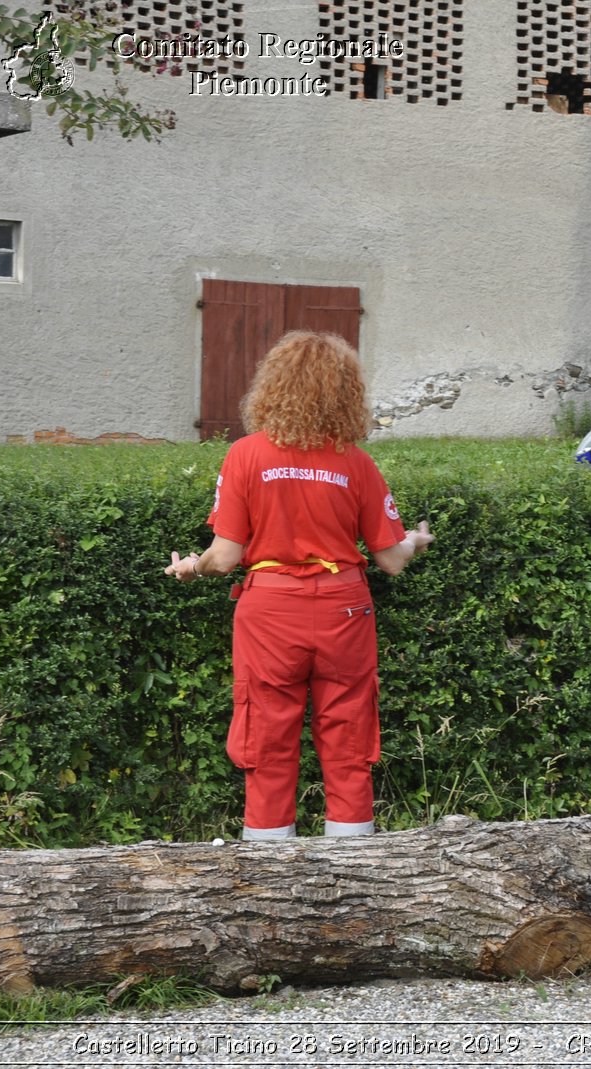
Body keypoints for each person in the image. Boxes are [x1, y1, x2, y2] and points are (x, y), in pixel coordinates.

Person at [164, 331, 434, 840]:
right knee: (349, 734)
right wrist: (415, 541)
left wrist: (191, 567)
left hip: (269, 611)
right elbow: (390, 561)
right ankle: (353, 866)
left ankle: (268, 871)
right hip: (343, 610)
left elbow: (225, 557)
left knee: (265, 735)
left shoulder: (245, 455)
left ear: (273, 386)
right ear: (345, 392)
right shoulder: (355, 461)